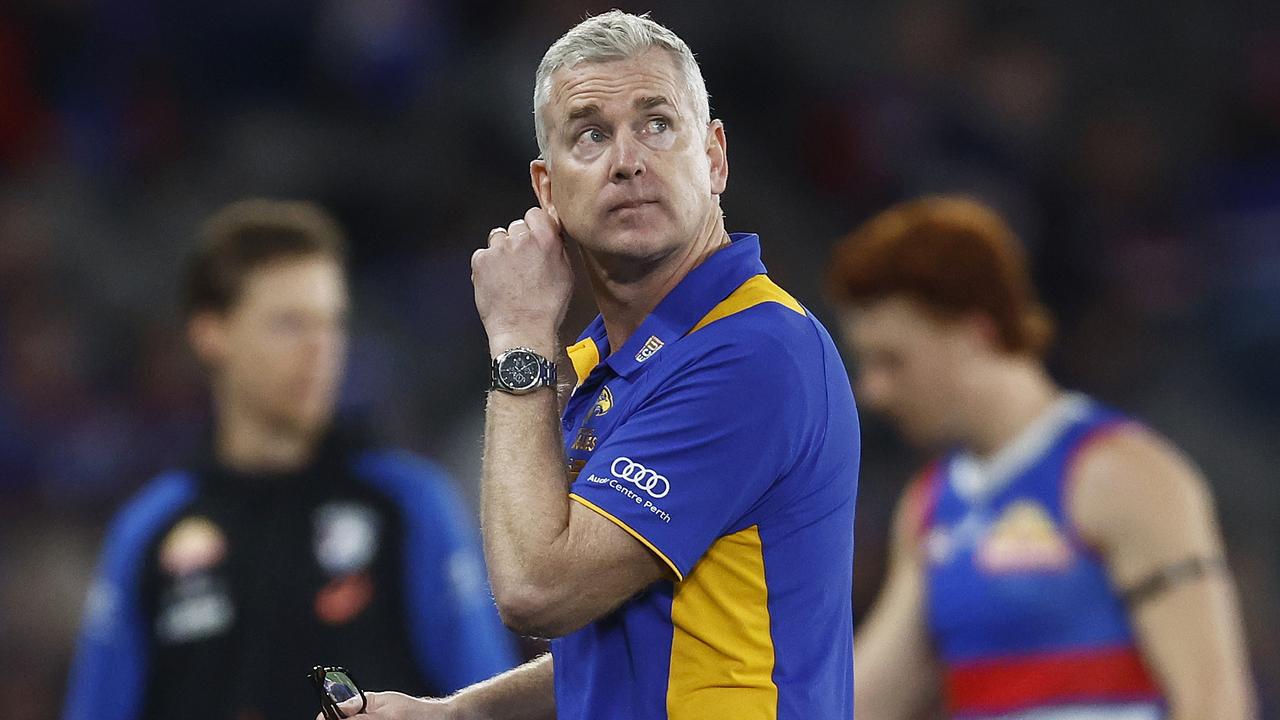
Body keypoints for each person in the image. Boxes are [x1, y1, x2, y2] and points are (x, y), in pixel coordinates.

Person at [352, 10, 859, 720]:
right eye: (591, 135)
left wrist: (520, 338)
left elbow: (539, 590)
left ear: (715, 157)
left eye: (656, 123)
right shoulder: (604, 365)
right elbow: (628, 641)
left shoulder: (754, 350)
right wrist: (456, 714)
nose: (627, 160)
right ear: (548, 189)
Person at [63, 199, 518, 720]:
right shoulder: (149, 529)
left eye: (332, 323)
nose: (320, 348)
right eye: (288, 324)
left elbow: (486, 704)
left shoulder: (410, 504)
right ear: (212, 333)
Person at [827, 196, 1256, 720]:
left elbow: (1215, 704)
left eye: (892, 360)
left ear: (976, 333)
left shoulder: (1123, 476)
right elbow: (856, 706)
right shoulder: (930, 508)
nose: (872, 391)